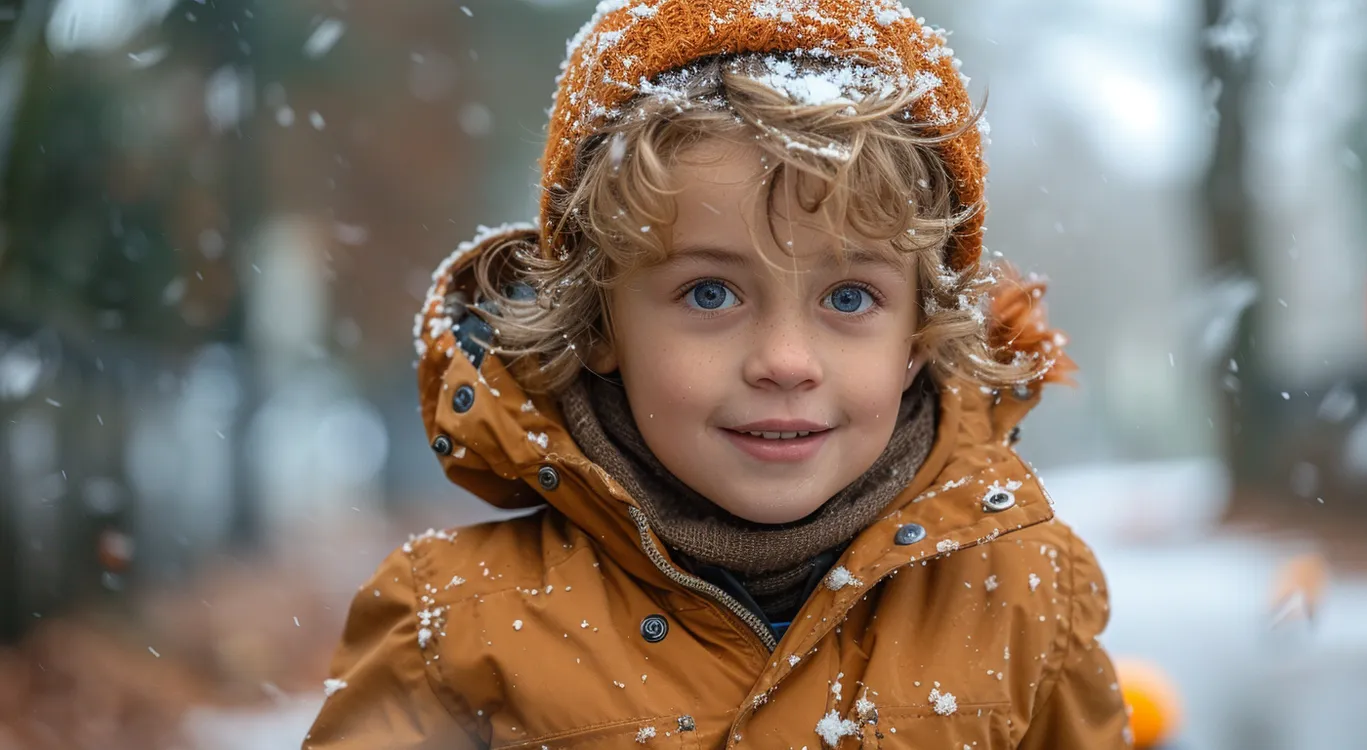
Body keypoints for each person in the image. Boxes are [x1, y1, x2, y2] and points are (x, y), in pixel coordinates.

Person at [305, 1, 1128, 747]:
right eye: (710, 293)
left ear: (918, 334)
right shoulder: (456, 630)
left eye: (849, 297)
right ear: (598, 322)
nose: (785, 362)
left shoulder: (1023, 600)